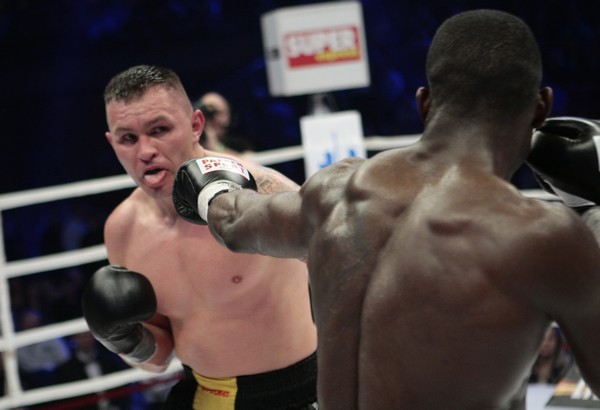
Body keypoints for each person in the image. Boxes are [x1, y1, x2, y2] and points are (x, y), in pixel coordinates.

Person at [178, 9, 600, 409]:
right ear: (542, 107)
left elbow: (234, 220)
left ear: (424, 103)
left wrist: (211, 189)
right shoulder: (542, 235)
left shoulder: (335, 191)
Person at [82, 65, 317, 409]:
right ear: (112, 142)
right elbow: (159, 357)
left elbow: (347, 262)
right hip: (202, 395)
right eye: (128, 139)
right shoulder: (122, 229)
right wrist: (124, 339)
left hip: (296, 394)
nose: (145, 151)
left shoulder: (261, 194)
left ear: (195, 126)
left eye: (159, 130)